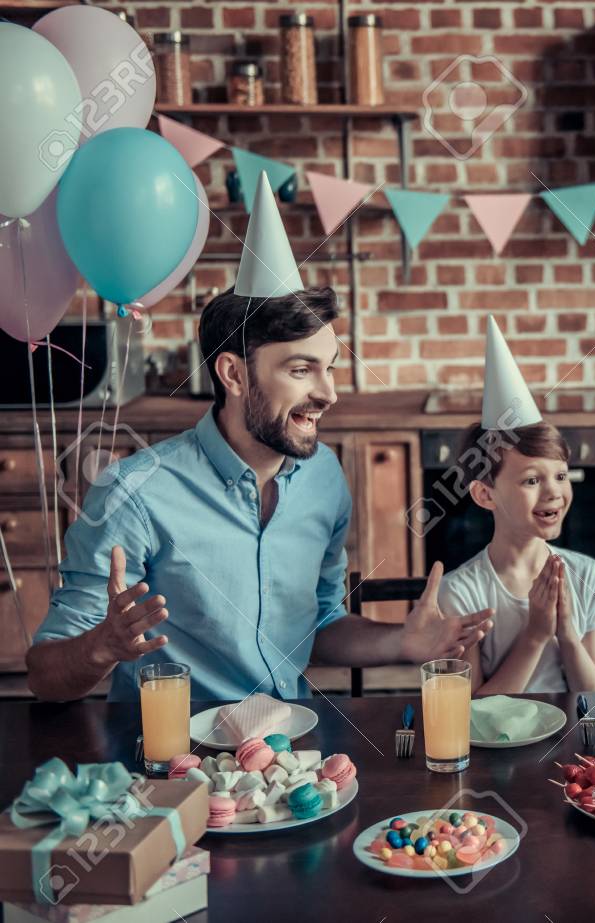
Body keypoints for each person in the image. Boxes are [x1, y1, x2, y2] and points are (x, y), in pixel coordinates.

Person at [27, 172, 489, 703]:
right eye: (301, 370)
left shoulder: (323, 476)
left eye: (330, 368)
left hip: (290, 758)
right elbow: (44, 677)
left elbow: (317, 628)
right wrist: (103, 646)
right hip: (176, 768)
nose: (328, 394)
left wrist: (404, 642)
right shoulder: (133, 493)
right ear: (234, 374)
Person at [437, 318, 595, 694]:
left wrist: (567, 634)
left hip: (573, 745)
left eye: (561, 476)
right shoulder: (460, 594)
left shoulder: (587, 576)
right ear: (485, 495)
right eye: (532, 480)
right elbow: (471, 711)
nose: (553, 492)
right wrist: (535, 634)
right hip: (497, 752)